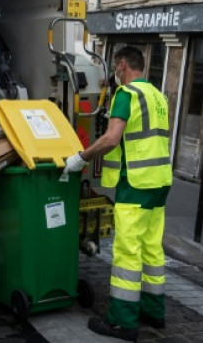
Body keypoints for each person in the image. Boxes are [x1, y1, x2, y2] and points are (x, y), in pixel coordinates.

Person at [64, 46, 172, 342]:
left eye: (115, 66)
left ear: (123, 65)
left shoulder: (127, 94)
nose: (115, 71)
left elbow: (112, 138)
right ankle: (153, 311)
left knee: (127, 252)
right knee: (151, 249)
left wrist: (81, 158)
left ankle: (123, 322)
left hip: (135, 183)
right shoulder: (158, 96)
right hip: (160, 182)